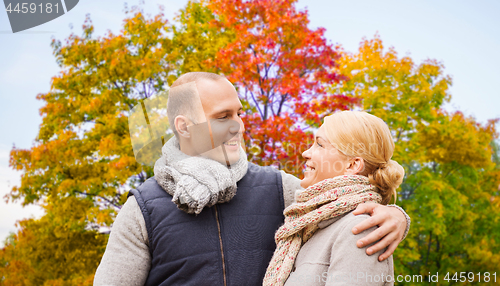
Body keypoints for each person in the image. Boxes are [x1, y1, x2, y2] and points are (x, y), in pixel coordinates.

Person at [93, 72, 410, 286]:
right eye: (222, 117)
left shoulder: (278, 188)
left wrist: (395, 214)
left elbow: (340, 199)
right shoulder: (143, 210)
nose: (238, 126)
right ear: (184, 126)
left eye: (239, 114)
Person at [264, 111, 405, 286]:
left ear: (352, 165)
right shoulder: (311, 225)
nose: (305, 153)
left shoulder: (359, 230)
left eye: (319, 145)